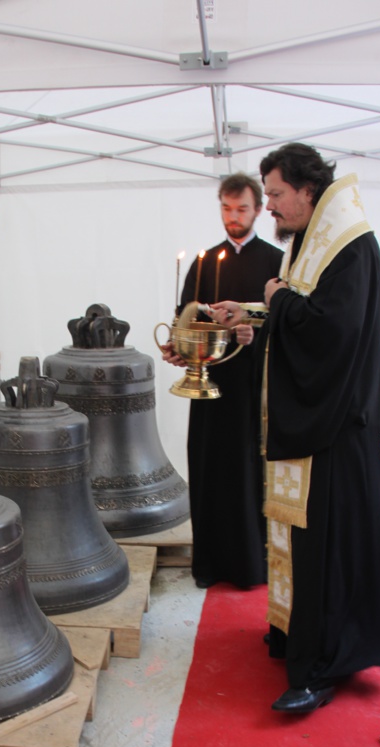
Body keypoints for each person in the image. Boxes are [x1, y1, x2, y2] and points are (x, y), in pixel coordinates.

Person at [212, 143, 380, 713]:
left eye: (273, 195)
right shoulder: (311, 243)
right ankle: (300, 636)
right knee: (304, 544)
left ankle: (323, 665)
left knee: (326, 547)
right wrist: (254, 316)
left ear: (307, 190)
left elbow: (329, 335)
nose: (268, 206)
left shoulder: (350, 246)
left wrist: (274, 296)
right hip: (319, 426)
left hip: (336, 434)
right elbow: (302, 318)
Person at [163, 173, 282, 590]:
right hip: (208, 386)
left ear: (258, 209)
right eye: (227, 209)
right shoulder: (203, 261)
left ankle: (249, 565)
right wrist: (178, 347)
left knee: (245, 471)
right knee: (208, 467)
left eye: (242, 209)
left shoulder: (274, 261)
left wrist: (255, 332)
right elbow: (185, 318)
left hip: (251, 388)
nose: (233, 218)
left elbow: (286, 323)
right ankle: (208, 564)